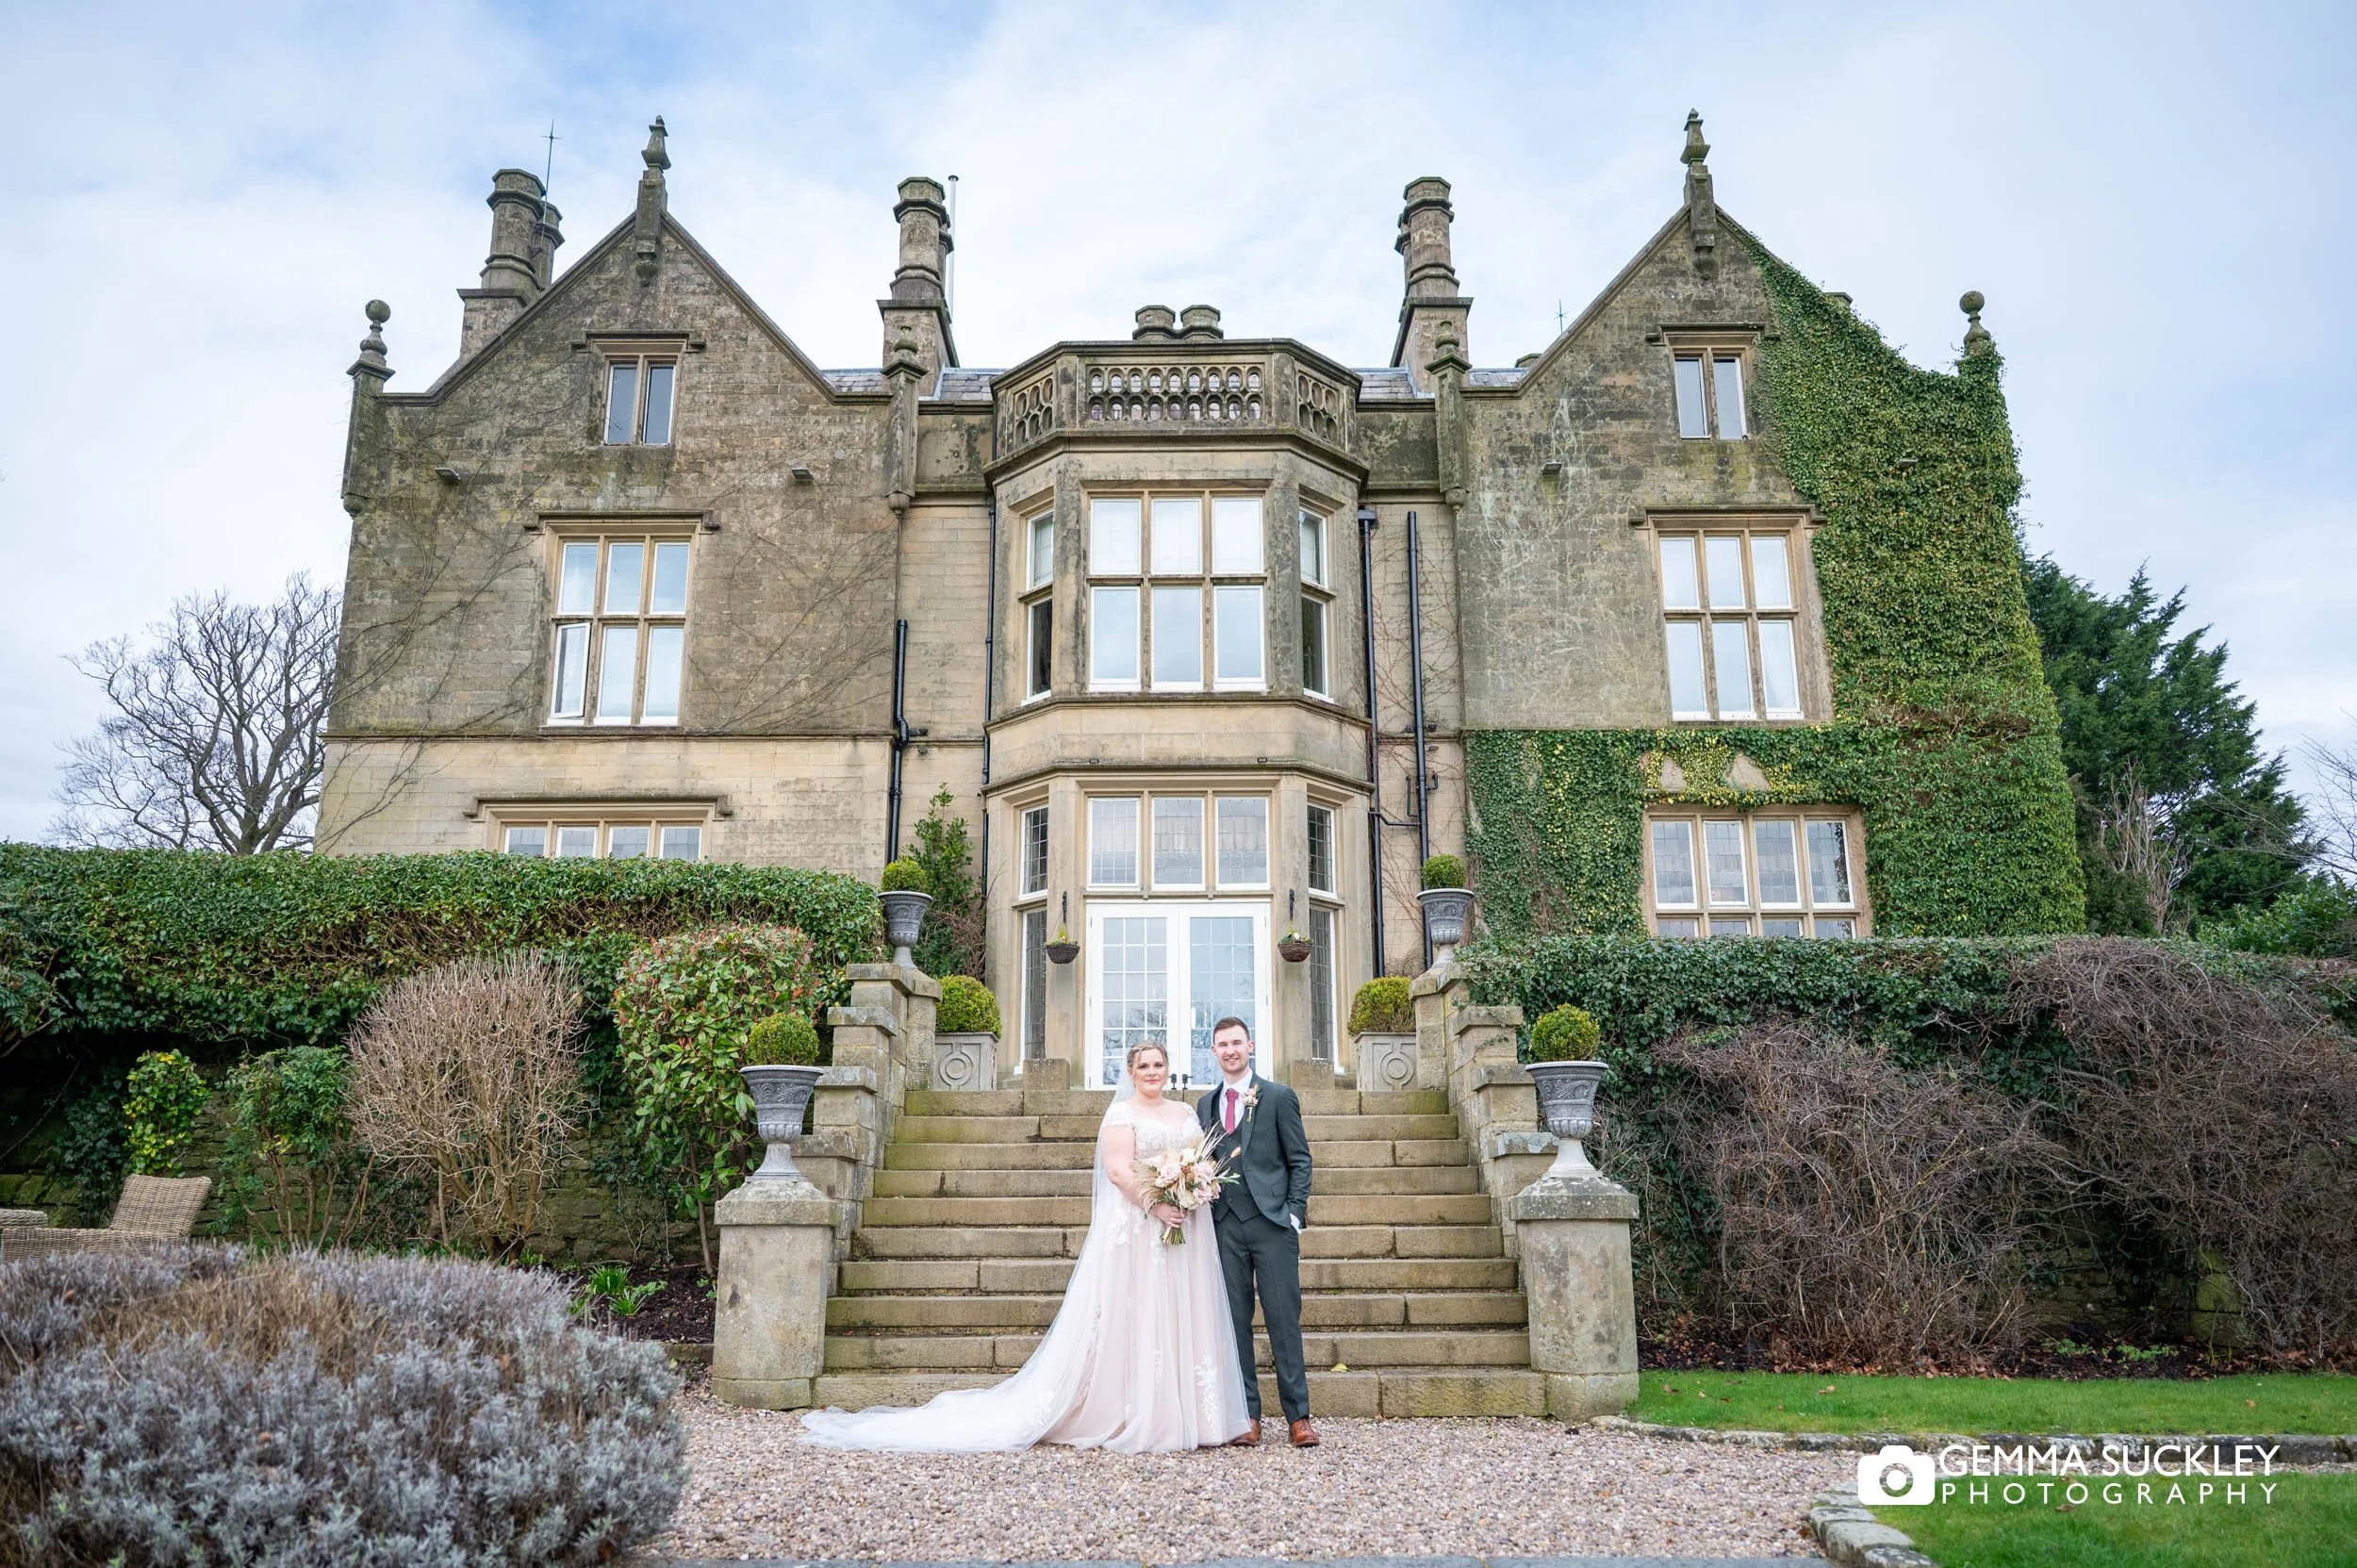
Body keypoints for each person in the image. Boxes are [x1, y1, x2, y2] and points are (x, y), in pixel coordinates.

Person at [798, 1039, 1251, 1453]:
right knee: (1137, 1310)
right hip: (1139, 1226)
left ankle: (1188, 1415)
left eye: (1158, 1065)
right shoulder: (1121, 1115)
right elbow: (1118, 1171)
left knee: (1179, 1309)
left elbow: (1201, 1161)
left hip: (1184, 1229)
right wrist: (1158, 1205)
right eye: (1144, 1066)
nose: (1152, 1072)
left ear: (1168, 1069)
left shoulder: (1185, 1113)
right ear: (1131, 1073)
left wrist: (1193, 1190)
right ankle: (1138, 1413)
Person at [1196, 1015, 1318, 1446]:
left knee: (1283, 1319)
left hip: (1272, 1224)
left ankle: (1298, 1417)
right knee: (1234, 1323)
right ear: (1213, 1051)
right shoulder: (1205, 1105)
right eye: (1222, 1044)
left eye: (1237, 1043)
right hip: (1225, 1226)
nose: (1230, 1050)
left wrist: (1293, 1214)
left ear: (1250, 1047)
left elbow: (1300, 1160)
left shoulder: (1279, 1097)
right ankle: (1248, 1415)